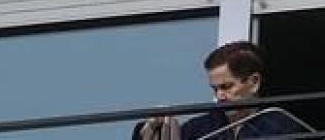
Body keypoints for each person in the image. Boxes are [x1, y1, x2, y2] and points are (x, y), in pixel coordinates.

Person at [134, 41, 314, 140]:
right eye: (215, 89)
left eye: (227, 86)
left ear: (254, 82)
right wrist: (149, 129)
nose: (219, 96)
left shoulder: (282, 126)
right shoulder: (200, 127)